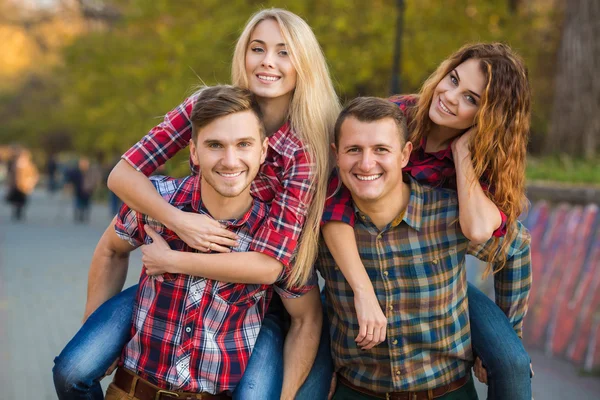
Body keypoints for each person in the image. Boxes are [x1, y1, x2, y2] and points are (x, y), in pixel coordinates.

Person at [53, 8, 339, 400]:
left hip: (256, 293)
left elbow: (271, 266)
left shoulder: (303, 149)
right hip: (179, 278)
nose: (267, 61)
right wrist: (180, 222)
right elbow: (122, 175)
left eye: (284, 52)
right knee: (75, 368)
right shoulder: (208, 106)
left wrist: (173, 260)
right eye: (257, 48)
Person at [321, 43, 533, 399]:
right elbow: (334, 207)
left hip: (434, 277)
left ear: (488, 117)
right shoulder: (397, 118)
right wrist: (363, 291)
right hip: (360, 264)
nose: (449, 97)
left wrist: (463, 155)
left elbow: (489, 234)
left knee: (511, 362)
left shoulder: (484, 158)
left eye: (470, 99)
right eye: (452, 80)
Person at [89, 85, 321, 399]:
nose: (229, 160)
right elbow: (110, 250)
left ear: (263, 151)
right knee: (70, 371)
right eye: (215, 145)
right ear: (194, 152)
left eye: (243, 145)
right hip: (133, 390)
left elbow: (306, 316)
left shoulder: (274, 236)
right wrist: (95, 337)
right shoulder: (158, 203)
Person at [5, 146, 39, 221]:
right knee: (15, 200)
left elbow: (34, 175)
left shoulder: (29, 165)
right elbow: (10, 175)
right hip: (15, 186)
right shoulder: (13, 164)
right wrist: (9, 184)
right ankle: (16, 212)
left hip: (24, 186)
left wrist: (30, 183)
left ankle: (20, 212)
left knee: (22, 201)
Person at [66, 157, 102, 223]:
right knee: (78, 204)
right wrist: (69, 186)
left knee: (86, 204)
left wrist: (95, 186)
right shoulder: (76, 172)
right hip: (78, 191)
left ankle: (85, 216)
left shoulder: (90, 172)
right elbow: (71, 180)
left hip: (88, 191)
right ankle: (79, 215)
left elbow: (94, 180)